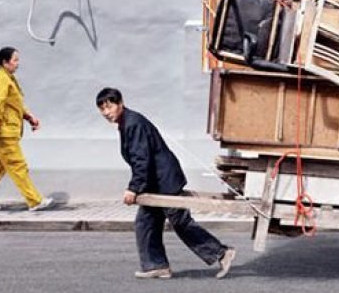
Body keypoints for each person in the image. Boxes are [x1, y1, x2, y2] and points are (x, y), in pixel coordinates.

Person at [96, 87, 237, 280]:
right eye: (102, 109)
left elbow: (141, 159)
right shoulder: (127, 122)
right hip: (156, 182)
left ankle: (221, 252)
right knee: (145, 222)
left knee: (179, 221)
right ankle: (157, 265)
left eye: (109, 106)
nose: (106, 112)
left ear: (120, 103)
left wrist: (133, 188)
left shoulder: (132, 124)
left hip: (164, 180)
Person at [0, 47, 55, 211]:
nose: (18, 64)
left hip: (7, 131)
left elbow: (15, 105)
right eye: (15, 60)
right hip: (4, 133)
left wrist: (29, 117)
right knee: (18, 166)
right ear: (4, 62)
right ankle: (34, 200)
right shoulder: (1, 80)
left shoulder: (8, 78)